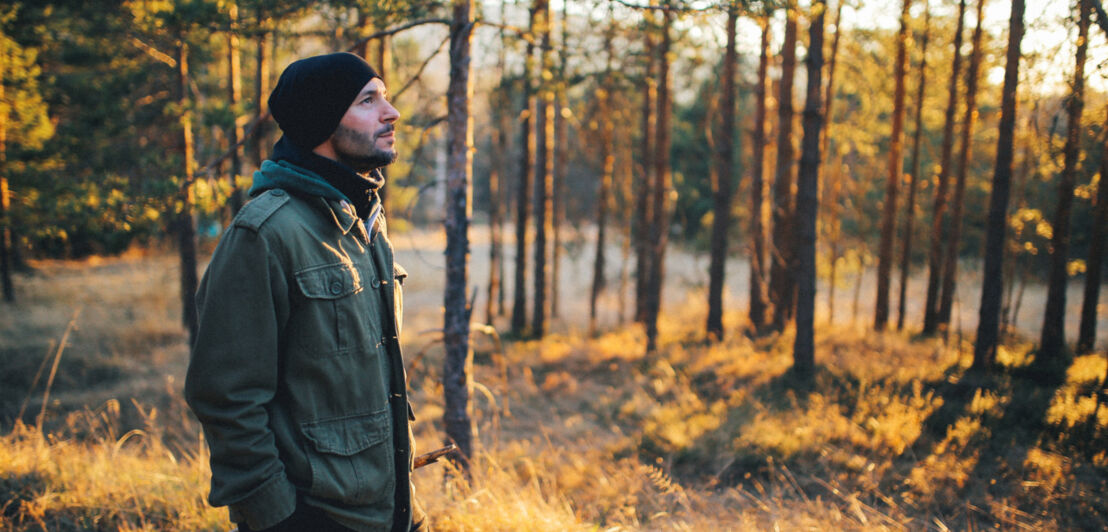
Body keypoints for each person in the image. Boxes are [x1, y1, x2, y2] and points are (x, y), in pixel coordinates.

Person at [185, 52, 427, 532]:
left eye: (385, 96)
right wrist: (276, 516)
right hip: (314, 518)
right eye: (368, 100)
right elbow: (225, 395)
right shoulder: (266, 234)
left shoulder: (364, 222)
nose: (391, 111)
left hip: (388, 513)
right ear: (322, 122)